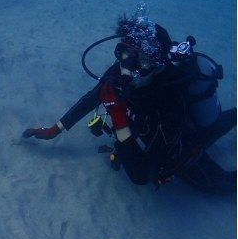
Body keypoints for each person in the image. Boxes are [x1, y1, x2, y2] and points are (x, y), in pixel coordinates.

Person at [22, 15, 235, 193]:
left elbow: (143, 174)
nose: (128, 68)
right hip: (152, 130)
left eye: (141, 60)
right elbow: (91, 98)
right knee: (218, 125)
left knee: (219, 183)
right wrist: (54, 130)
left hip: (182, 144)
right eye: (124, 54)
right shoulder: (121, 70)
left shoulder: (169, 98)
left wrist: (118, 116)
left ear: (158, 62)